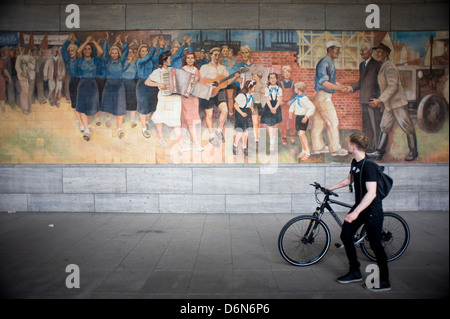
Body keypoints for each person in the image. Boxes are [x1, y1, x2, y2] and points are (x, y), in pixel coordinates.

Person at [326, 132, 391, 291]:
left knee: (376, 245)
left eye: (348, 143)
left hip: (371, 210)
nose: (347, 145)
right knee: (346, 235)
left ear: (353, 146)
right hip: (360, 206)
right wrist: (330, 188)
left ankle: (384, 281)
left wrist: (355, 212)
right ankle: (355, 271)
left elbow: (372, 193)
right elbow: (349, 180)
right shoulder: (355, 162)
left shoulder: (369, 166)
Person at [367, 43, 418, 162]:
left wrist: (380, 100)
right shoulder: (384, 66)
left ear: (386, 54)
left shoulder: (390, 67)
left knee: (407, 126)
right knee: (384, 126)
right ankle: (379, 152)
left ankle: (413, 151)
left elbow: (393, 87)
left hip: (398, 104)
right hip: (389, 104)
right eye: (376, 52)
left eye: (379, 52)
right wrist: (383, 101)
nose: (377, 54)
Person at [311, 41, 348, 156]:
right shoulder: (325, 62)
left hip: (320, 97)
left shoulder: (328, 62)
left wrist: (340, 86)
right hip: (323, 97)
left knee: (319, 123)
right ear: (330, 50)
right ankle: (335, 149)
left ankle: (318, 147)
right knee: (333, 122)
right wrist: (339, 88)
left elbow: (330, 81)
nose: (338, 52)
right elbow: (325, 83)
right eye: (337, 50)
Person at [199, 47, 240, 147]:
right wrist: (210, 85)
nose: (217, 57)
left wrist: (234, 77)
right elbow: (201, 80)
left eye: (218, 55)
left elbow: (226, 82)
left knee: (225, 110)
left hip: (219, 91)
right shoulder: (204, 67)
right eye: (215, 55)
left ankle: (219, 130)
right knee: (209, 114)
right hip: (207, 92)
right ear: (211, 55)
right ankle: (211, 136)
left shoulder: (222, 68)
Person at [145, 51, 183, 150]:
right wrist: (158, 84)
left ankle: (180, 144)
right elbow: (147, 82)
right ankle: (161, 138)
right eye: (169, 59)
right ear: (164, 61)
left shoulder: (172, 70)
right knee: (160, 117)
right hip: (164, 97)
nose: (170, 60)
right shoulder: (157, 71)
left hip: (174, 97)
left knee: (175, 119)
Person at [347, 43, 382, 153]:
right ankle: (368, 147)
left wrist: (379, 99)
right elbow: (362, 81)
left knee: (375, 125)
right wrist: (351, 88)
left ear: (370, 51)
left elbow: (381, 83)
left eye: (364, 50)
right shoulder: (362, 64)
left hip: (373, 100)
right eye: (360, 50)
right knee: (366, 125)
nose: (361, 52)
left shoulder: (377, 65)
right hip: (363, 100)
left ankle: (377, 148)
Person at [76, 35, 103, 141]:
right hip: (82, 84)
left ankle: (86, 126)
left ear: (91, 51)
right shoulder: (80, 60)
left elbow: (100, 52)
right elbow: (78, 51)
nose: (87, 50)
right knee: (82, 107)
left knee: (92, 108)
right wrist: (87, 41)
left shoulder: (94, 60)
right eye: (85, 49)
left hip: (92, 85)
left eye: (89, 49)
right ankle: (87, 130)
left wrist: (94, 41)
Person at [180, 51, 204, 152]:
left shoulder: (196, 71)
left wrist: (209, 87)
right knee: (189, 121)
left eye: (192, 58)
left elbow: (201, 83)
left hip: (194, 98)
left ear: (194, 60)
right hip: (186, 98)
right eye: (188, 58)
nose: (190, 60)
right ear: (185, 60)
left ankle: (185, 140)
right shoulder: (182, 70)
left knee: (187, 120)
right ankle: (196, 143)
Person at [289, 82, 315, 161]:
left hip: (303, 118)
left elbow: (312, 107)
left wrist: (307, 116)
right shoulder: (298, 98)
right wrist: (291, 111)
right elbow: (293, 105)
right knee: (299, 134)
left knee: (302, 133)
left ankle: (307, 151)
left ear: (299, 89)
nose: (294, 89)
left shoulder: (304, 99)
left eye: (295, 88)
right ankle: (303, 150)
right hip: (298, 118)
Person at [260, 72, 283, 152]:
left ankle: (273, 139)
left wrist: (275, 108)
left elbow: (279, 99)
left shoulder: (279, 89)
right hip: (269, 106)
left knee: (275, 124)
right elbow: (267, 99)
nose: (272, 80)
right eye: (271, 78)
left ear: (276, 79)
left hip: (276, 105)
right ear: (269, 80)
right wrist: (271, 108)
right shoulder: (267, 88)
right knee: (270, 124)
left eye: (274, 78)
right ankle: (271, 142)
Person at [233, 80, 255, 156]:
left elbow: (247, 103)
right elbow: (235, 105)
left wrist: (251, 108)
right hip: (240, 114)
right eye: (253, 87)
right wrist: (242, 113)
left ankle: (244, 147)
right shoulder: (241, 95)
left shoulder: (250, 95)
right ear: (249, 88)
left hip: (247, 113)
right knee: (240, 132)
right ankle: (235, 146)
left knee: (246, 132)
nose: (254, 89)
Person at [279, 65, 297, 146]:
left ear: (290, 74)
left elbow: (296, 94)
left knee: (292, 120)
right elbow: (278, 94)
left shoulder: (293, 83)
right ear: (283, 74)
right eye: (285, 72)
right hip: (283, 105)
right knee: (283, 120)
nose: (286, 74)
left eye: (288, 72)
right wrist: (281, 100)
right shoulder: (280, 84)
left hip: (291, 105)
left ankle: (292, 135)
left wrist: (291, 100)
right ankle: (283, 137)